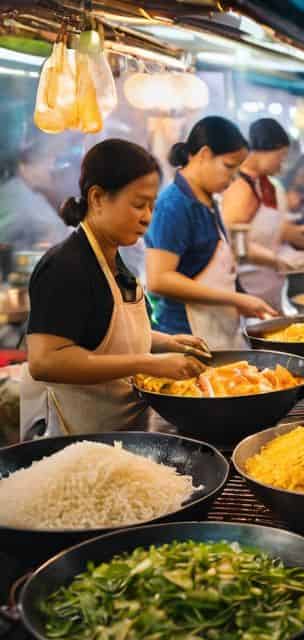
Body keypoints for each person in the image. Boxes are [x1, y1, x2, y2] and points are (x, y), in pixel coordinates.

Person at [20, 139, 209, 437]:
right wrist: (150, 363)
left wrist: (167, 343)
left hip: (122, 433)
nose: (147, 216)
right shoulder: (64, 266)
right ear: (97, 198)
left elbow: (106, 335)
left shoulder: (114, 260)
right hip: (76, 442)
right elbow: (46, 361)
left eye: (152, 206)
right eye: (138, 204)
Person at [145, 116, 276, 350]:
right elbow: (159, 279)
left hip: (216, 332)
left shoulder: (207, 200)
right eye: (229, 166)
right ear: (204, 154)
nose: (234, 177)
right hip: (184, 338)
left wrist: (243, 298)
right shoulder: (173, 205)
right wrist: (235, 299)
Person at [220, 118, 304, 270]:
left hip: (269, 282)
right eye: (281, 157)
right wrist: (277, 261)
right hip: (248, 283)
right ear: (264, 150)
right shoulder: (240, 188)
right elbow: (234, 245)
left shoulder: (265, 185)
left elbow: (261, 231)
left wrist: (291, 233)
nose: (281, 165)